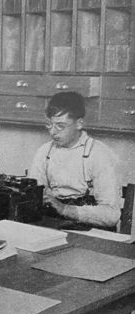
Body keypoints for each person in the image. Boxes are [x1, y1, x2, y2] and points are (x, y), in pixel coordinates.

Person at [29, 91, 120, 229]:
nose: (52, 132)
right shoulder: (44, 152)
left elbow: (111, 216)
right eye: (49, 125)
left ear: (79, 124)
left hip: (91, 230)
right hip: (54, 225)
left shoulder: (99, 154)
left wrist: (65, 209)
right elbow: (35, 196)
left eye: (60, 126)